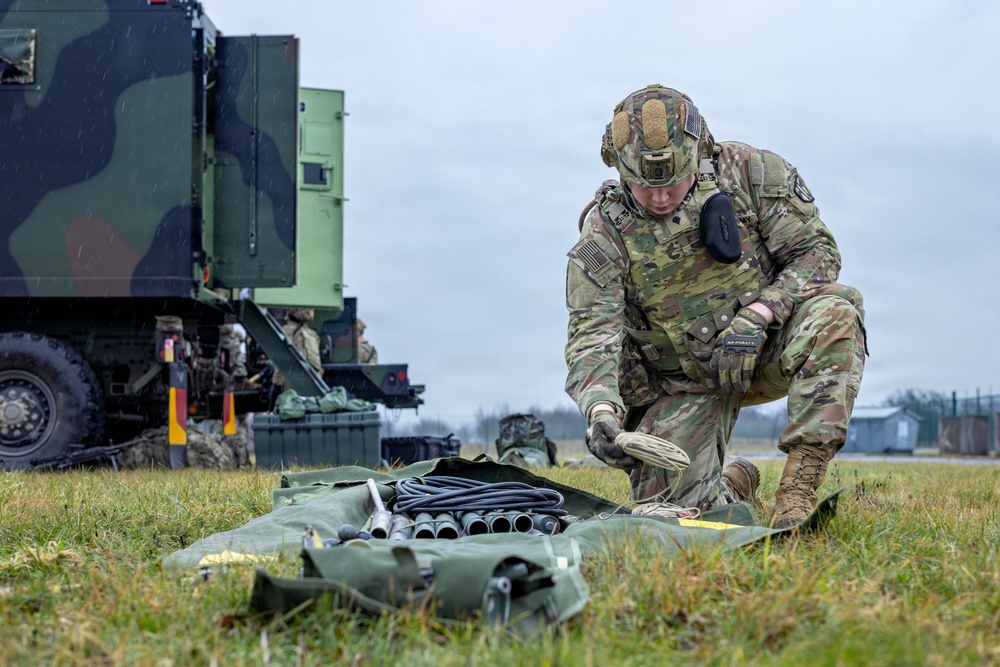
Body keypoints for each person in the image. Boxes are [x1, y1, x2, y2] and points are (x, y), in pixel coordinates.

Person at [565, 85, 866, 527]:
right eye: (645, 187)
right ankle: (734, 482)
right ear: (620, 169)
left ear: (699, 155)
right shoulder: (604, 234)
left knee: (836, 313)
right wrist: (601, 412)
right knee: (673, 515)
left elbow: (818, 253)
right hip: (685, 384)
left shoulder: (748, 173)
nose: (661, 199)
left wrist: (760, 314)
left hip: (766, 348)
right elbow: (593, 335)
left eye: (673, 182)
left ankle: (797, 491)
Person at [272, 307, 323, 390]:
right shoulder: (311, 334)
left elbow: (280, 362)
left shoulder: (285, 332)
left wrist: (276, 383)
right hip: (312, 383)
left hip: (292, 384)